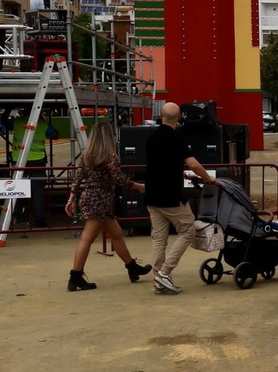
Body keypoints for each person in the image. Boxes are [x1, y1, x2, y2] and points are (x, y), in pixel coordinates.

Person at [65, 121, 150, 290]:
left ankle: (132, 267)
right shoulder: (109, 157)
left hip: (89, 198)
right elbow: (119, 179)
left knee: (116, 234)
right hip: (101, 200)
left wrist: (71, 198)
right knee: (87, 239)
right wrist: (139, 186)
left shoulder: (86, 156)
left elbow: (78, 178)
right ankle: (75, 277)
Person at [145, 102, 217, 294]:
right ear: (179, 118)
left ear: (160, 116)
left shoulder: (151, 137)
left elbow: (160, 164)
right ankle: (166, 272)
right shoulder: (177, 138)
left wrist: (180, 172)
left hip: (152, 194)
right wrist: (208, 178)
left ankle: (158, 278)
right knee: (188, 231)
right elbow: (193, 163)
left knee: (159, 239)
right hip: (171, 195)